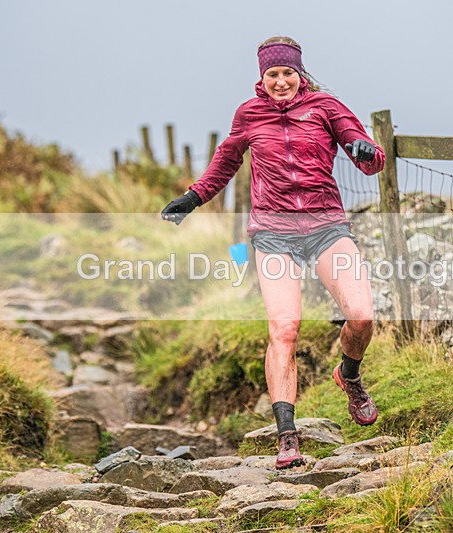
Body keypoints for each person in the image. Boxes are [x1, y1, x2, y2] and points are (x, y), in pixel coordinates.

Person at [161, 36, 385, 469]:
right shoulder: (249, 114)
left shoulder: (326, 107)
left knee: (361, 315)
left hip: (325, 226)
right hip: (273, 232)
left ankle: (349, 376)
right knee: (285, 328)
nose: (281, 81)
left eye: (287, 73)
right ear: (261, 79)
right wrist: (193, 197)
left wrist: (366, 151)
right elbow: (226, 161)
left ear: (299, 75)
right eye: (272, 74)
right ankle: (287, 437)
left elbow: (370, 158)